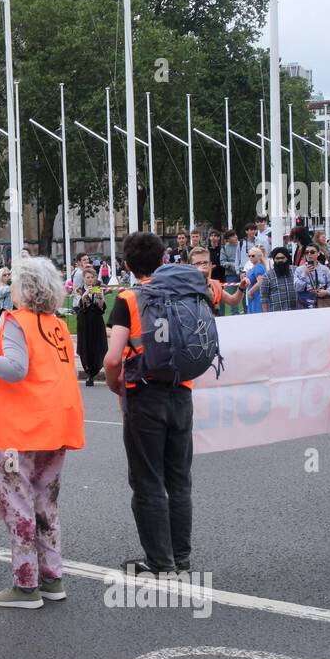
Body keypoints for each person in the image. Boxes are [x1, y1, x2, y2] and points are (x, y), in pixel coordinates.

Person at [0, 258, 85, 609]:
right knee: (46, 503)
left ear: (27, 290)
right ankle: (52, 578)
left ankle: (25, 585)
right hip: (56, 423)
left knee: (18, 507)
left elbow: (16, 369)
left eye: (16, 283)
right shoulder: (58, 326)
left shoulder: (15, 321)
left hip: (20, 428)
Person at [102, 232, 194, 576]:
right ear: (163, 258)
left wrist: (116, 388)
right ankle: (181, 558)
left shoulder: (128, 298)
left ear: (127, 265)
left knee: (148, 480)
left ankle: (160, 561)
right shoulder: (183, 291)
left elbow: (112, 359)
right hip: (181, 390)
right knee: (179, 480)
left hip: (144, 392)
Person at [75, 268, 108, 385]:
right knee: (86, 346)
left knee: (98, 345)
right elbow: (79, 306)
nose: (90, 280)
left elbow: (101, 308)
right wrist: (85, 295)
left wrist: (101, 297)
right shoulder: (79, 290)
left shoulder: (98, 289)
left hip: (96, 320)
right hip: (84, 321)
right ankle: (88, 372)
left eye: (92, 277)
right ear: (84, 278)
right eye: (88, 277)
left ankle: (94, 372)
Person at [189, 247, 244, 313]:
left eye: (205, 262)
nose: (203, 265)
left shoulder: (213, 284)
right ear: (190, 266)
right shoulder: (184, 285)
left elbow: (233, 301)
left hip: (210, 321)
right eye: (198, 263)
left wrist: (241, 288)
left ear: (210, 264)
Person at [260, 247, 300, 312]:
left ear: (287, 258)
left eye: (283, 258)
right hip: (277, 314)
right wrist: (266, 315)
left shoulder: (296, 271)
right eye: (277, 258)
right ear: (274, 259)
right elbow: (264, 297)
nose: (280, 260)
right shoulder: (267, 276)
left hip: (297, 311)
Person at [243, 247, 267, 314]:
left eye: (253, 256)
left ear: (259, 256)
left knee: (257, 317)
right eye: (249, 256)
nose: (250, 257)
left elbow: (260, 282)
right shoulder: (255, 266)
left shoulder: (258, 267)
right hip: (253, 296)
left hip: (257, 296)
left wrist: (250, 292)